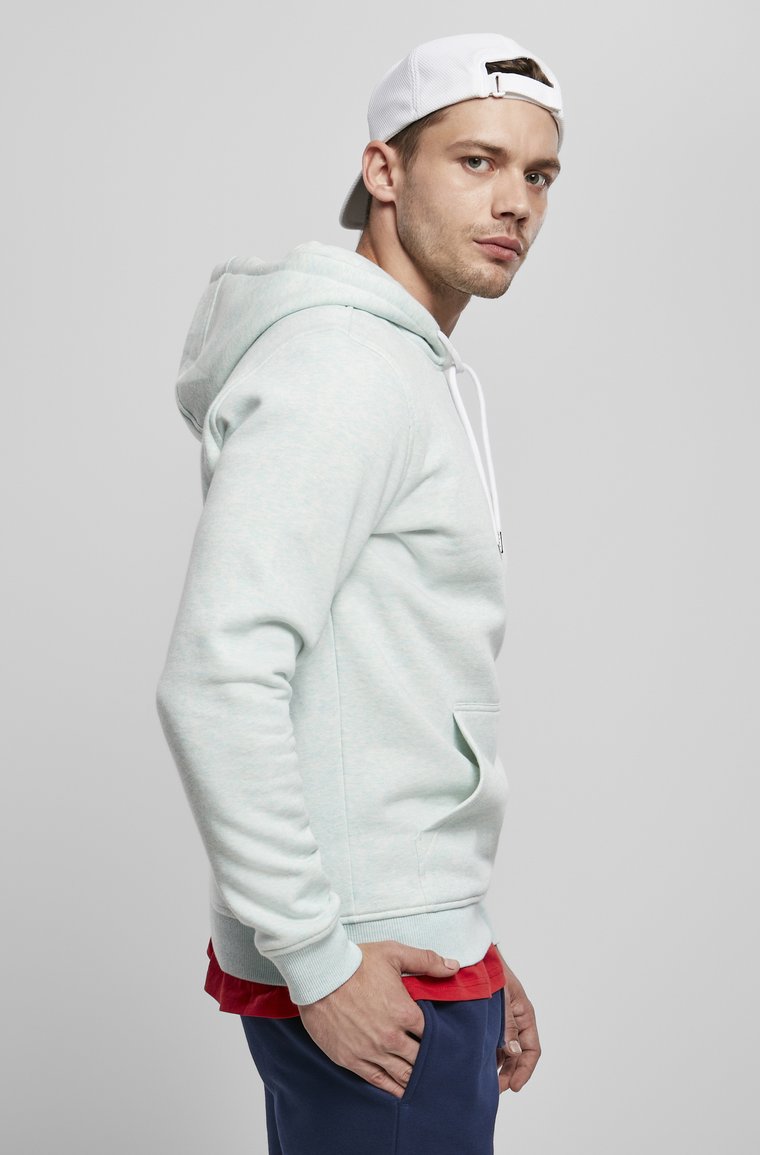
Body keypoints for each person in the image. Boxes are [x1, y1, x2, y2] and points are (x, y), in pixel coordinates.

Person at [155, 31, 564, 1154]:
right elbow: (217, 673)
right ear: (383, 170)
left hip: (409, 945)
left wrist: (465, 934)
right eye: (476, 161)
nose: (515, 202)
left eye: (538, 175)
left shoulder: (396, 368)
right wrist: (321, 960)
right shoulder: (342, 368)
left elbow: (385, 688)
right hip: (364, 966)